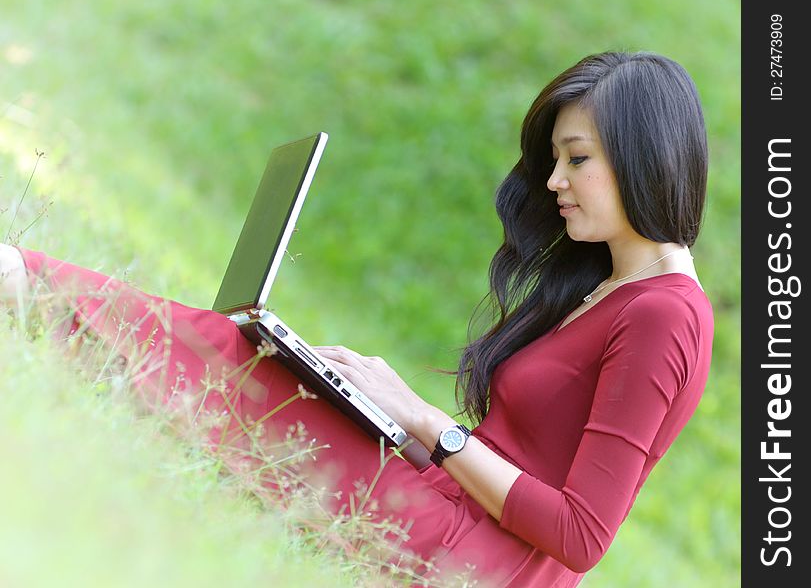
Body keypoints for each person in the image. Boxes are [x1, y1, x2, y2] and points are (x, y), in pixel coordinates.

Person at [1, 50, 713, 587]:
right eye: (555, 159)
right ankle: (35, 292)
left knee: (257, 384)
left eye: (575, 160)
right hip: (453, 510)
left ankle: (26, 284)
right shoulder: (609, 286)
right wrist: (399, 421)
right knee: (281, 373)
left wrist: (428, 422)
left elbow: (580, 534)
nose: (554, 181)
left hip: (474, 563)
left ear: (644, 160)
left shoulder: (665, 316)